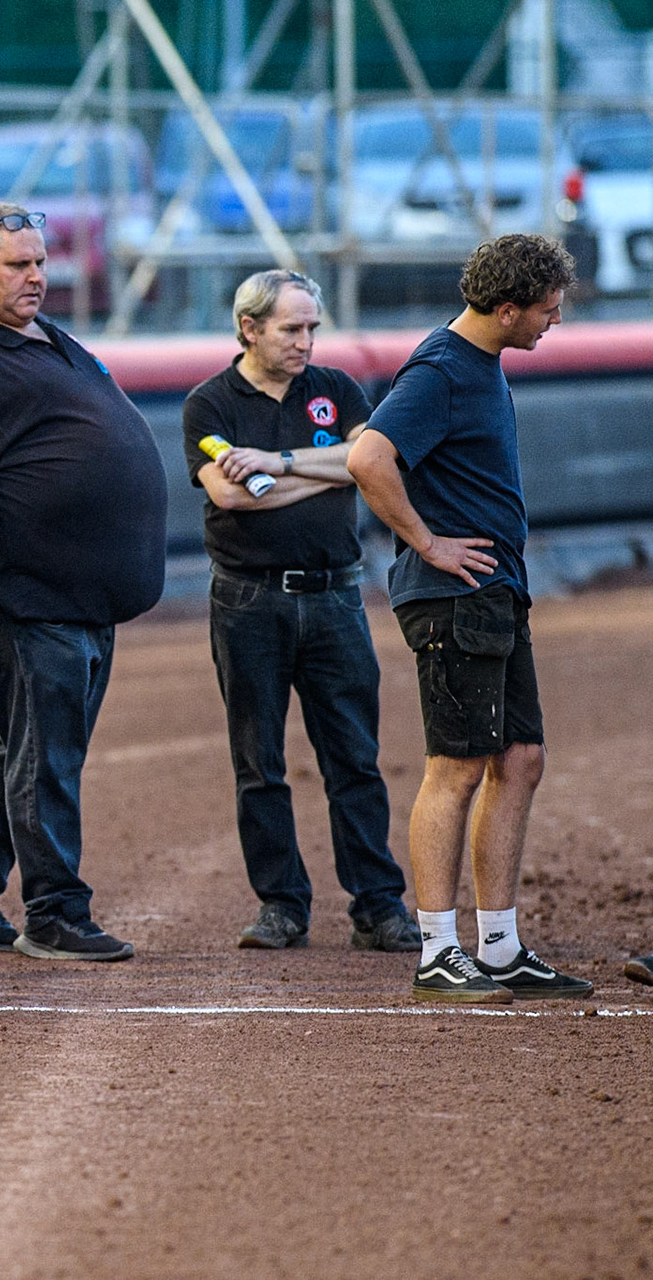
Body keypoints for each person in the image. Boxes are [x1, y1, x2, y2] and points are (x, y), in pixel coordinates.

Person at [0, 202, 166, 963]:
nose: (37, 277)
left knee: (27, 747)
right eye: (18, 265)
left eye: (42, 263)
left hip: (81, 599)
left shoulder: (44, 334)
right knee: (44, 758)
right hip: (25, 595)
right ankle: (53, 913)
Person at [347, 234, 592, 1002]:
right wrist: (427, 542)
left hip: (494, 593)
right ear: (507, 306)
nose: (554, 322)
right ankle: (436, 952)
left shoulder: (477, 366)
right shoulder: (444, 369)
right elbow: (367, 457)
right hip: (454, 596)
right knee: (453, 768)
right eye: (547, 311)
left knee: (519, 759)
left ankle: (498, 946)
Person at [182, 270, 420, 952]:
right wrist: (324, 470)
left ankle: (377, 904)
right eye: (291, 328)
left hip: (336, 596)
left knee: (355, 756)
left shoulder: (338, 389)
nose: (305, 341)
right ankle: (281, 905)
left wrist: (278, 464)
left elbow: (371, 464)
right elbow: (229, 499)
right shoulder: (209, 404)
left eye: (312, 327)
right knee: (259, 761)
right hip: (248, 599)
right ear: (250, 329)